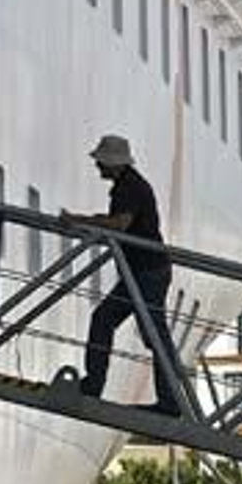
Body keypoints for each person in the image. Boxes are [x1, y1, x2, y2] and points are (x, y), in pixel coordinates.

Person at [62, 134, 182, 415]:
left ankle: (169, 401)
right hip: (143, 271)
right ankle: (95, 385)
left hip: (146, 273)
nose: (97, 166)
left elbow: (119, 224)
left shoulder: (128, 188)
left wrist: (78, 220)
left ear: (110, 162)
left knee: (152, 334)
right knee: (109, 321)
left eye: (100, 161)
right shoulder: (129, 184)